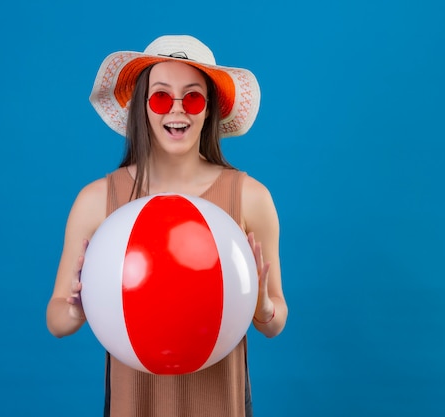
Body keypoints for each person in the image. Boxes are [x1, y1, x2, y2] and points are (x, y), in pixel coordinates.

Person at [46, 34, 288, 417]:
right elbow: (56, 319)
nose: (178, 110)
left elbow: (275, 322)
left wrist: (261, 307)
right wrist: (76, 308)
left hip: (220, 403)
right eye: (161, 97)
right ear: (142, 107)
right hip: (133, 403)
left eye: (192, 97)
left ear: (208, 109)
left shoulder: (250, 197)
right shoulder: (96, 200)